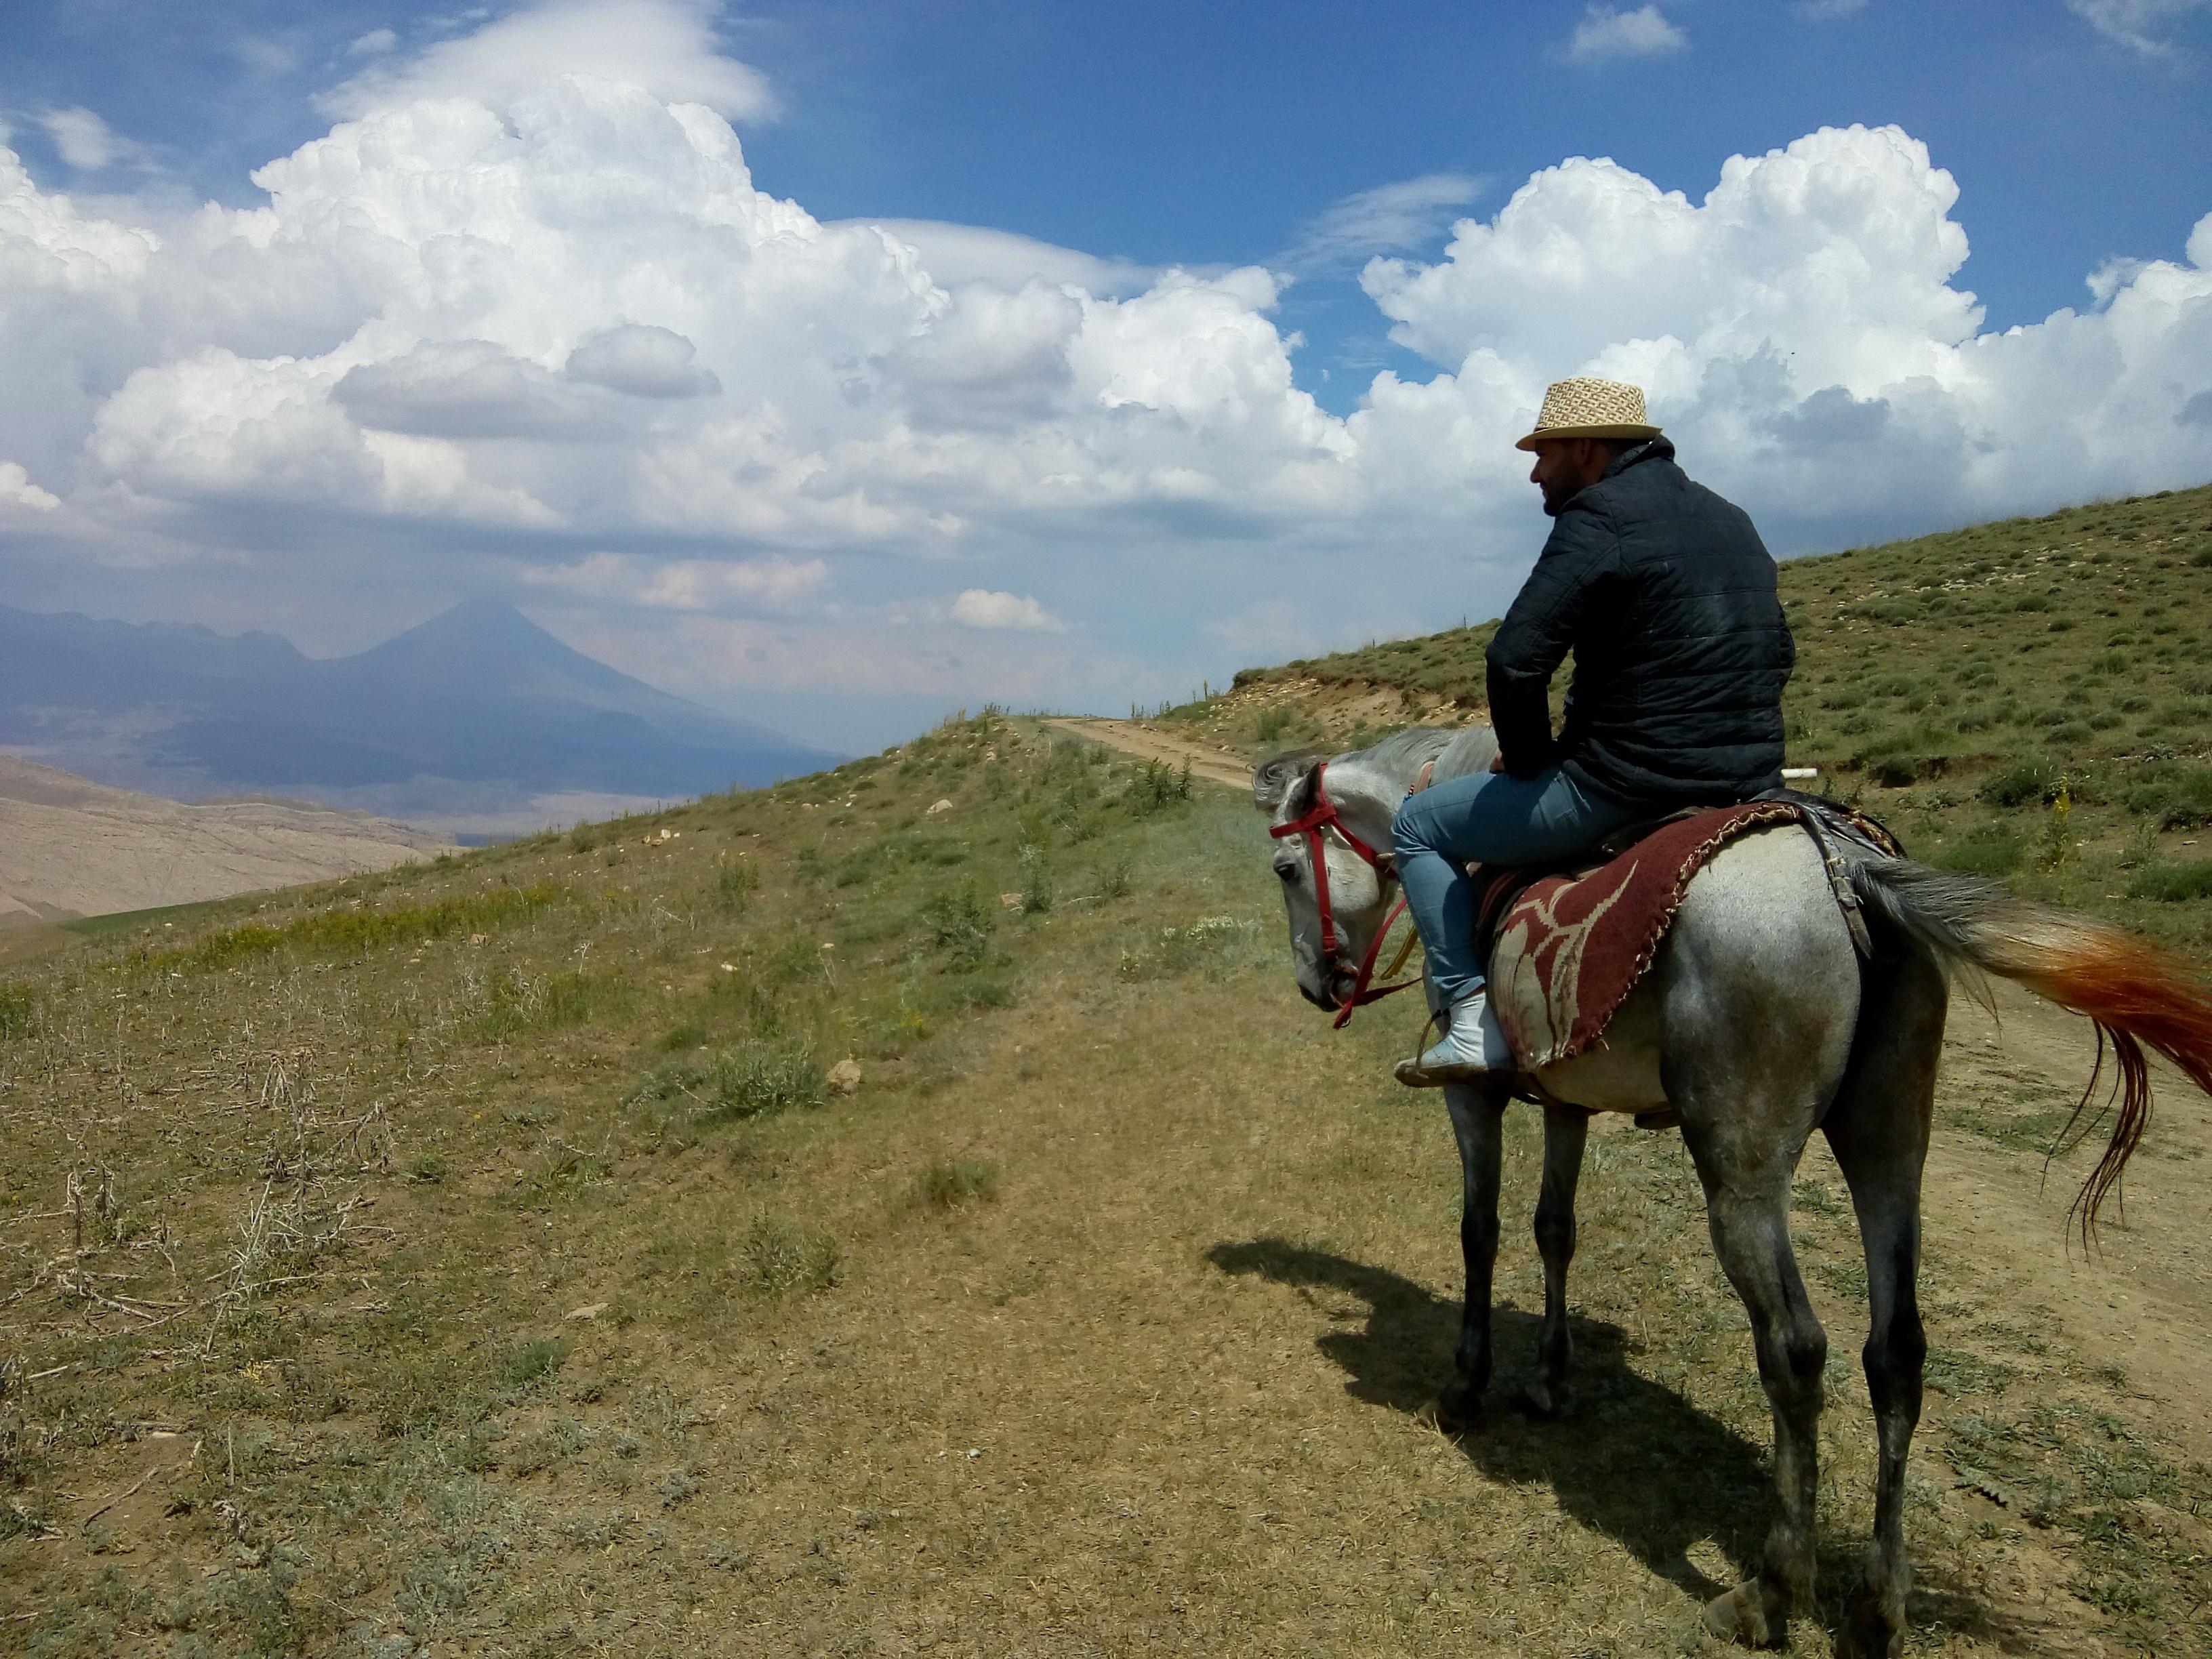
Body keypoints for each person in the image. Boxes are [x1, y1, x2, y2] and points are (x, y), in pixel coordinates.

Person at [1393, 377, 1795, 1086]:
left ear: (1584, 448)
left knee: (1419, 824)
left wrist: (1529, 762)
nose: (1534, 471)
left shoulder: (1597, 517)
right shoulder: (1733, 516)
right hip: (1749, 780)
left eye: (1543, 453)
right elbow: (1778, 651)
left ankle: (1467, 1022)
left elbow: (1515, 662)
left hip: (1624, 784)